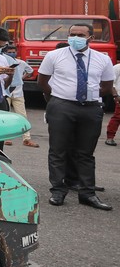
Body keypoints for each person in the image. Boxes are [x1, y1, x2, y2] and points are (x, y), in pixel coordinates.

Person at [38, 23, 114, 210]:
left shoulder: (102, 59)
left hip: (90, 108)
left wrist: (90, 96)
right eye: (72, 34)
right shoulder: (54, 56)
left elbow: (106, 85)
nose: (75, 37)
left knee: (85, 153)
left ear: (90, 38)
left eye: (81, 34)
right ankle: (58, 191)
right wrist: (56, 99)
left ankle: (87, 193)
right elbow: (42, 81)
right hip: (62, 106)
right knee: (58, 150)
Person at [0, 42, 39, 148]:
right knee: (5, 116)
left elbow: (30, 71)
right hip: (6, 92)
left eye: (13, 52)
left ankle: (27, 138)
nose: (12, 54)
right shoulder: (2, 62)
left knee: (22, 116)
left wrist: (22, 78)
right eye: (9, 52)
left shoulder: (21, 63)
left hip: (18, 92)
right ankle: (6, 138)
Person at [105, 58, 120, 146]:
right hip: (119, 96)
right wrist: (115, 96)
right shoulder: (117, 67)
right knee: (117, 117)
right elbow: (111, 83)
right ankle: (110, 137)